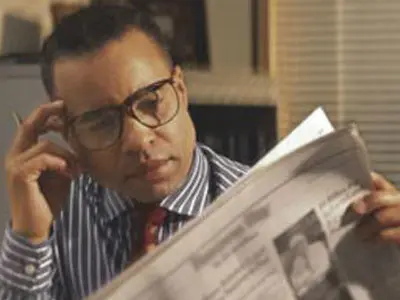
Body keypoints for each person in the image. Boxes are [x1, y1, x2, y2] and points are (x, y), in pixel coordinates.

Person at [0, 4, 399, 300]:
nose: (139, 139)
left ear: (181, 89)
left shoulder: (266, 200)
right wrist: (28, 235)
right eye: (101, 122)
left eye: (151, 101)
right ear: (68, 132)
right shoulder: (56, 215)